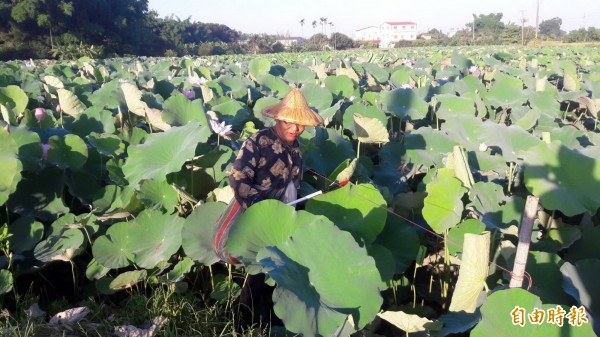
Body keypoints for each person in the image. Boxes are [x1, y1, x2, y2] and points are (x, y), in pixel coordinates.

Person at [212, 88, 323, 327]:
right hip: (256, 214)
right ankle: (242, 322)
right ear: (278, 119)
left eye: (300, 125)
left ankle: (268, 321)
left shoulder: (296, 146)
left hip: (283, 216)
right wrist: (262, 210)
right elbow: (238, 178)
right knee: (258, 271)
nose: (295, 129)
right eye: (290, 123)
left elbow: (292, 182)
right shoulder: (258, 141)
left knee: (274, 271)